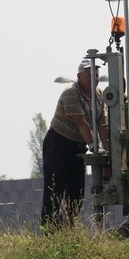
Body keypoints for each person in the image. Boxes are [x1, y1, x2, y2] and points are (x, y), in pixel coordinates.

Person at [40, 58, 106, 229]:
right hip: (58, 146)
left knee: (77, 193)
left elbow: (102, 124)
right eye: (89, 74)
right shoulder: (70, 93)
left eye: (96, 74)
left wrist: (109, 150)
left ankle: (69, 230)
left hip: (78, 147)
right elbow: (82, 123)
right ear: (79, 76)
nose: (94, 77)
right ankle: (50, 232)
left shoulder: (99, 95)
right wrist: (95, 148)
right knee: (54, 192)